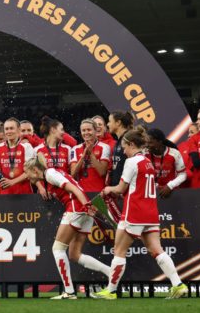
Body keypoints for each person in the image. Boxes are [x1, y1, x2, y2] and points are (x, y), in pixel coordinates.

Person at [91, 127, 188, 300]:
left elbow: (120, 189)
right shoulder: (147, 162)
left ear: (131, 144)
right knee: (157, 250)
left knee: (119, 251)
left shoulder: (132, 162)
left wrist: (107, 189)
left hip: (134, 212)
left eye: (125, 147)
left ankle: (111, 291)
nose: (124, 151)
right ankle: (178, 284)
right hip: (150, 212)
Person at [24, 156, 111, 300]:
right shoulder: (52, 173)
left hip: (77, 208)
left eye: (27, 172)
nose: (26, 176)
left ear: (34, 170)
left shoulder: (50, 174)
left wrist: (85, 205)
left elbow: (73, 188)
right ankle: (111, 272)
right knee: (74, 254)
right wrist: (87, 205)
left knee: (57, 249)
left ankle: (69, 292)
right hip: (83, 209)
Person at [0, 118, 36, 194]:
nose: (8, 131)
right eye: (6, 129)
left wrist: (12, 182)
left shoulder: (26, 147)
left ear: (18, 130)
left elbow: (30, 171)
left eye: (11, 128)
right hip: (6, 192)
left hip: (24, 192)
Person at [70, 118, 111, 193]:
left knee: (99, 205)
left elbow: (102, 172)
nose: (86, 133)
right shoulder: (75, 149)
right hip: (81, 193)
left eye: (89, 130)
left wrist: (91, 153)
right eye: (83, 130)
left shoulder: (105, 147)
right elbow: (73, 174)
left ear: (95, 131)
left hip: (99, 192)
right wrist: (83, 156)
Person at [145, 128, 187, 198]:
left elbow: (183, 175)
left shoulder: (174, 153)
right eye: (146, 142)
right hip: (150, 193)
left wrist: (170, 186)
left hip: (171, 192)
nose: (147, 145)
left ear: (160, 142)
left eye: (150, 142)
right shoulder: (144, 153)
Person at [176, 123, 198, 188]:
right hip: (181, 188)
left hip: (198, 189)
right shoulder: (181, 146)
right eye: (189, 132)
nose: (188, 135)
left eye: (192, 132)